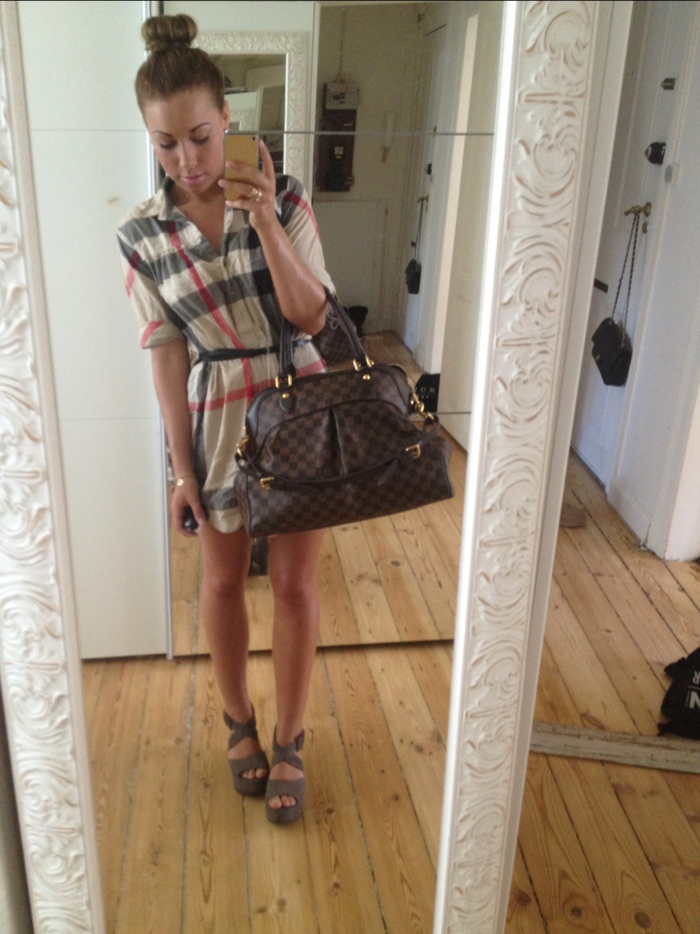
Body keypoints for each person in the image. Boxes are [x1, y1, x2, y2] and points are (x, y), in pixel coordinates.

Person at [117, 14, 334, 825]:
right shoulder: (142, 236)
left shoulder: (285, 196)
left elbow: (312, 316)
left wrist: (267, 218)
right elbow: (166, 358)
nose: (188, 159)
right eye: (166, 143)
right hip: (215, 420)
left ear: (228, 119)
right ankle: (239, 721)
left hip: (299, 402)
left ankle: (291, 737)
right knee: (220, 581)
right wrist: (179, 472)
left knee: (295, 583)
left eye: (202, 137)